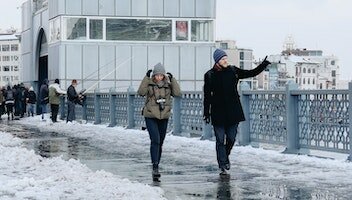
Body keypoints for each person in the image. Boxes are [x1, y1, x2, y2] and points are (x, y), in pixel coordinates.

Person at [203, 48, 271, 175]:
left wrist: (263, 65)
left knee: (231, 137)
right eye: (223, 59)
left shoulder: (233, 71)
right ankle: (222, 164)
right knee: (219, 139)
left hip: (233, 111)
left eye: (226, 58)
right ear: (217, 61)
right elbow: (207, 95)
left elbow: (251, 73)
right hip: (218, 112)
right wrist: (206, 113)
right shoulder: (210, 75)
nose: (225, 60)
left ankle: (225, 156)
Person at [137, 63, 181, 181]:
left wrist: (173, 80)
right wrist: (146, 78)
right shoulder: (149, 84)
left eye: (161, 75)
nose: (159, 77)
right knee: (155, 140)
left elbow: (177, 93)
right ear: (154, 75)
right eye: (157, 75)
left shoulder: (168, 85)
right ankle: (155, 166)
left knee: (160, 141)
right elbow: (141, 92)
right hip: (151, 115)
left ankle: (157, 163)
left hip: (164, 116)